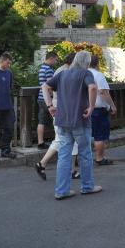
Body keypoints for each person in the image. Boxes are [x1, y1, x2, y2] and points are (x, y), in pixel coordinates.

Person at [41, 50, 102, 200]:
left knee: (64, 155)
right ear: (86, 62)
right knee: (85, 154)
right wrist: (92, 106)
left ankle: (62, 191)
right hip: (80, 120)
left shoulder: (63, 74)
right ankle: (87, 186)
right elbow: (93, 88)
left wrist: (49, 106)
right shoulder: (85, 73)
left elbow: (45, 87)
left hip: (62, 120)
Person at [35, 53, 80, 180]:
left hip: (60, 108)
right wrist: (50, 105)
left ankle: (42, 164)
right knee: (69, 139)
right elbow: (47, 87)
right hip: (63, 109)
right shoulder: (65, 71)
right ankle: (69, 171)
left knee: (60, 139)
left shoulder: (61, 70)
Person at [89, 55, 117, 166]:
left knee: (85, 135)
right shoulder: (98, 75)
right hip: (98, 108)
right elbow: (103, 92)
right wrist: (112, 106)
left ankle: (77, 159)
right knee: (100, 135)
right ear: (97, 63)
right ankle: (99, 158)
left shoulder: (84, 74)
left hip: (85, 108)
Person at [36, 51, 58, 149]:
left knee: (41, 121)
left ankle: (40, 142)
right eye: (56, 59)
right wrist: (52, 98)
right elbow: (50, 86)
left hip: (40, 98)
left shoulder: (41, 68)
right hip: (47, 99)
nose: (56, 62)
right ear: (51, 58)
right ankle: (58, 140)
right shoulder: (49, 69)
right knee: (57, 119)